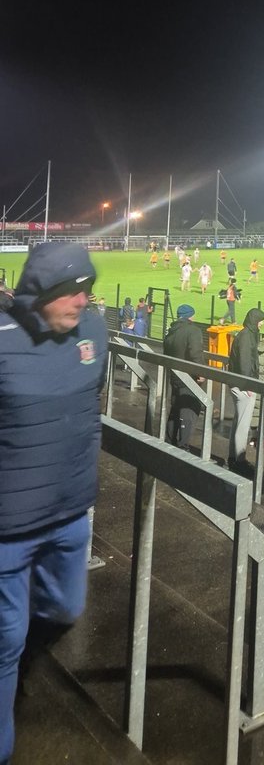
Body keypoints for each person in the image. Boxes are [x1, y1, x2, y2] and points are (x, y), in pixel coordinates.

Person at [0, 243, 107, 765]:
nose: (83, 300)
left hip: (69, 516)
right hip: (7, 530)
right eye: (72, 290)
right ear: (39, 292)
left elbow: (90, 406)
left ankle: (20, 660)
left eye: (87, 289)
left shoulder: (96, 334)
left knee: (65, 609)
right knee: (5, 639)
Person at [227, 306, 264, 474]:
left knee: (238, 423)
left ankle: (234, 459)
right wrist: (248, 385)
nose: (263, 324)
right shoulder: (246, 337)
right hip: (243, 387)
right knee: (242, 425)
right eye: (261, 320)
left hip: (239, 384)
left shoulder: (246, 335)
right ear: (255, 321)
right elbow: (244, 362)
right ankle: (239, 461)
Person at [164, 303, 207, 450]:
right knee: (188, 410)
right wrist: (200, 373)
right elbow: (196, 353)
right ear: (190, 316)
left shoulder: (171, 331)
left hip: (175, 376)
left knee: (176, 408)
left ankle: (169, 440)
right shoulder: (193, 331)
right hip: (188, 377)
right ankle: (183, 445)